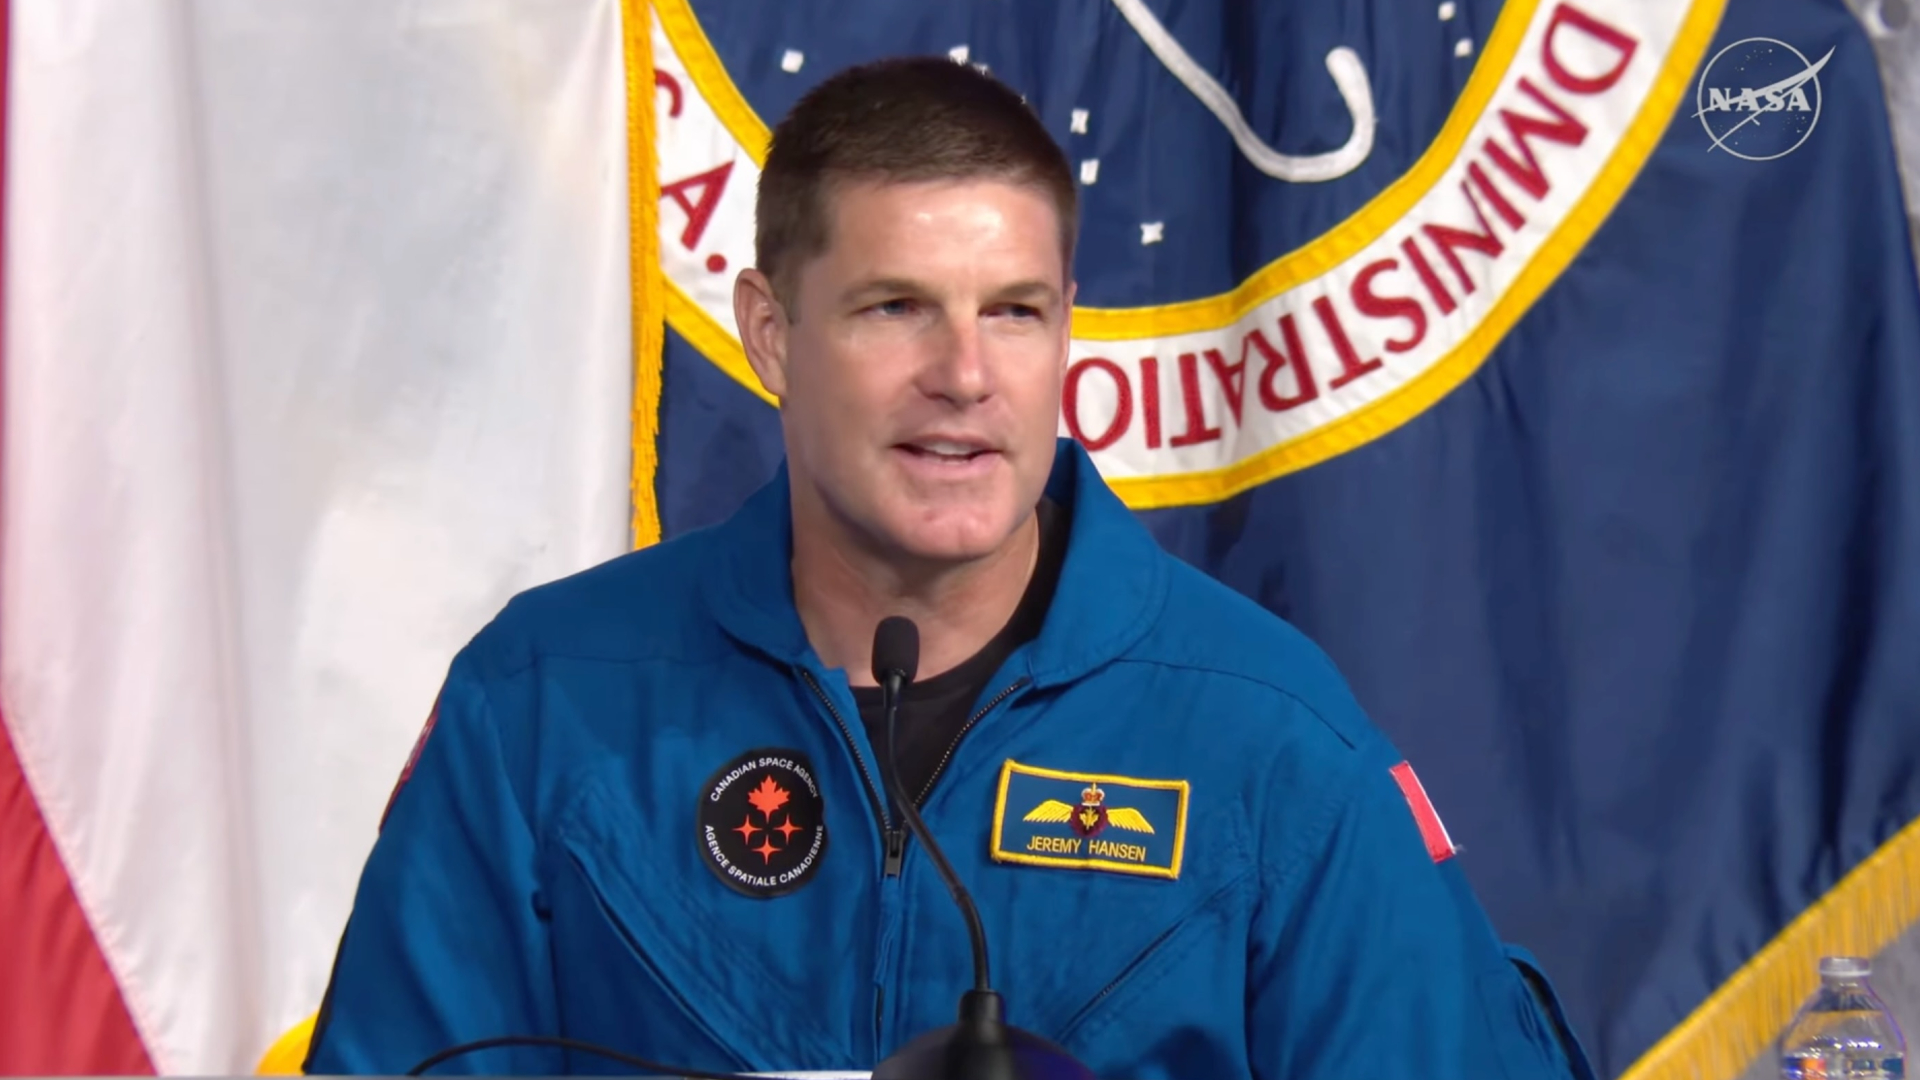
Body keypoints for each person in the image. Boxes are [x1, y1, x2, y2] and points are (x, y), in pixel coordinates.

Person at [303, 56, 1594, 1079]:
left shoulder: (1268, 739)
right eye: (895, 307)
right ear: (771, 333)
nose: (965, 377)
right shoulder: (544, 700)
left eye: (1014, 312)